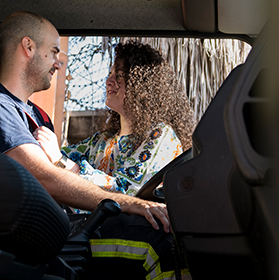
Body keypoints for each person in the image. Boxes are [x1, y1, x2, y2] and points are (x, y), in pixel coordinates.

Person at [0, 11, 170, 231]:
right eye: (53, 52)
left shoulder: (39, 116)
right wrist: (129, 203)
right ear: (28, 47)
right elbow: (45, 177)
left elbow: (59, 173)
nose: (58, 64)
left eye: (117, 76)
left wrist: (61, 161)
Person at [57, 41, 194, 197]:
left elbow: (126, 191)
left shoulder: (161, 137)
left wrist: (65, 164)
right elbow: (53, 160)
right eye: (110, 74)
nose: (109, 81)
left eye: (120, 76)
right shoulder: (101, 142)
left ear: (142, 86)